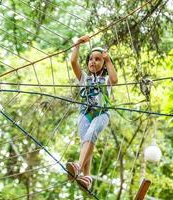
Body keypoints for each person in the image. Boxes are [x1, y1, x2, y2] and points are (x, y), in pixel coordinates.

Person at [66, 35, 118, 191]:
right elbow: (73, 62)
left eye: (97, 59)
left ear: (103, 64)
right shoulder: (83, 78)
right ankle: (86, 177)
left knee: (91, 134)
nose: (93, 61)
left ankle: (78, 166)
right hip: (85, 113)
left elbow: (115, 80)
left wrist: (108, 59)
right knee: (86, 142)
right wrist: (77, 44)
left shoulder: (106, 79)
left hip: (102, 113)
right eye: (90, 59)